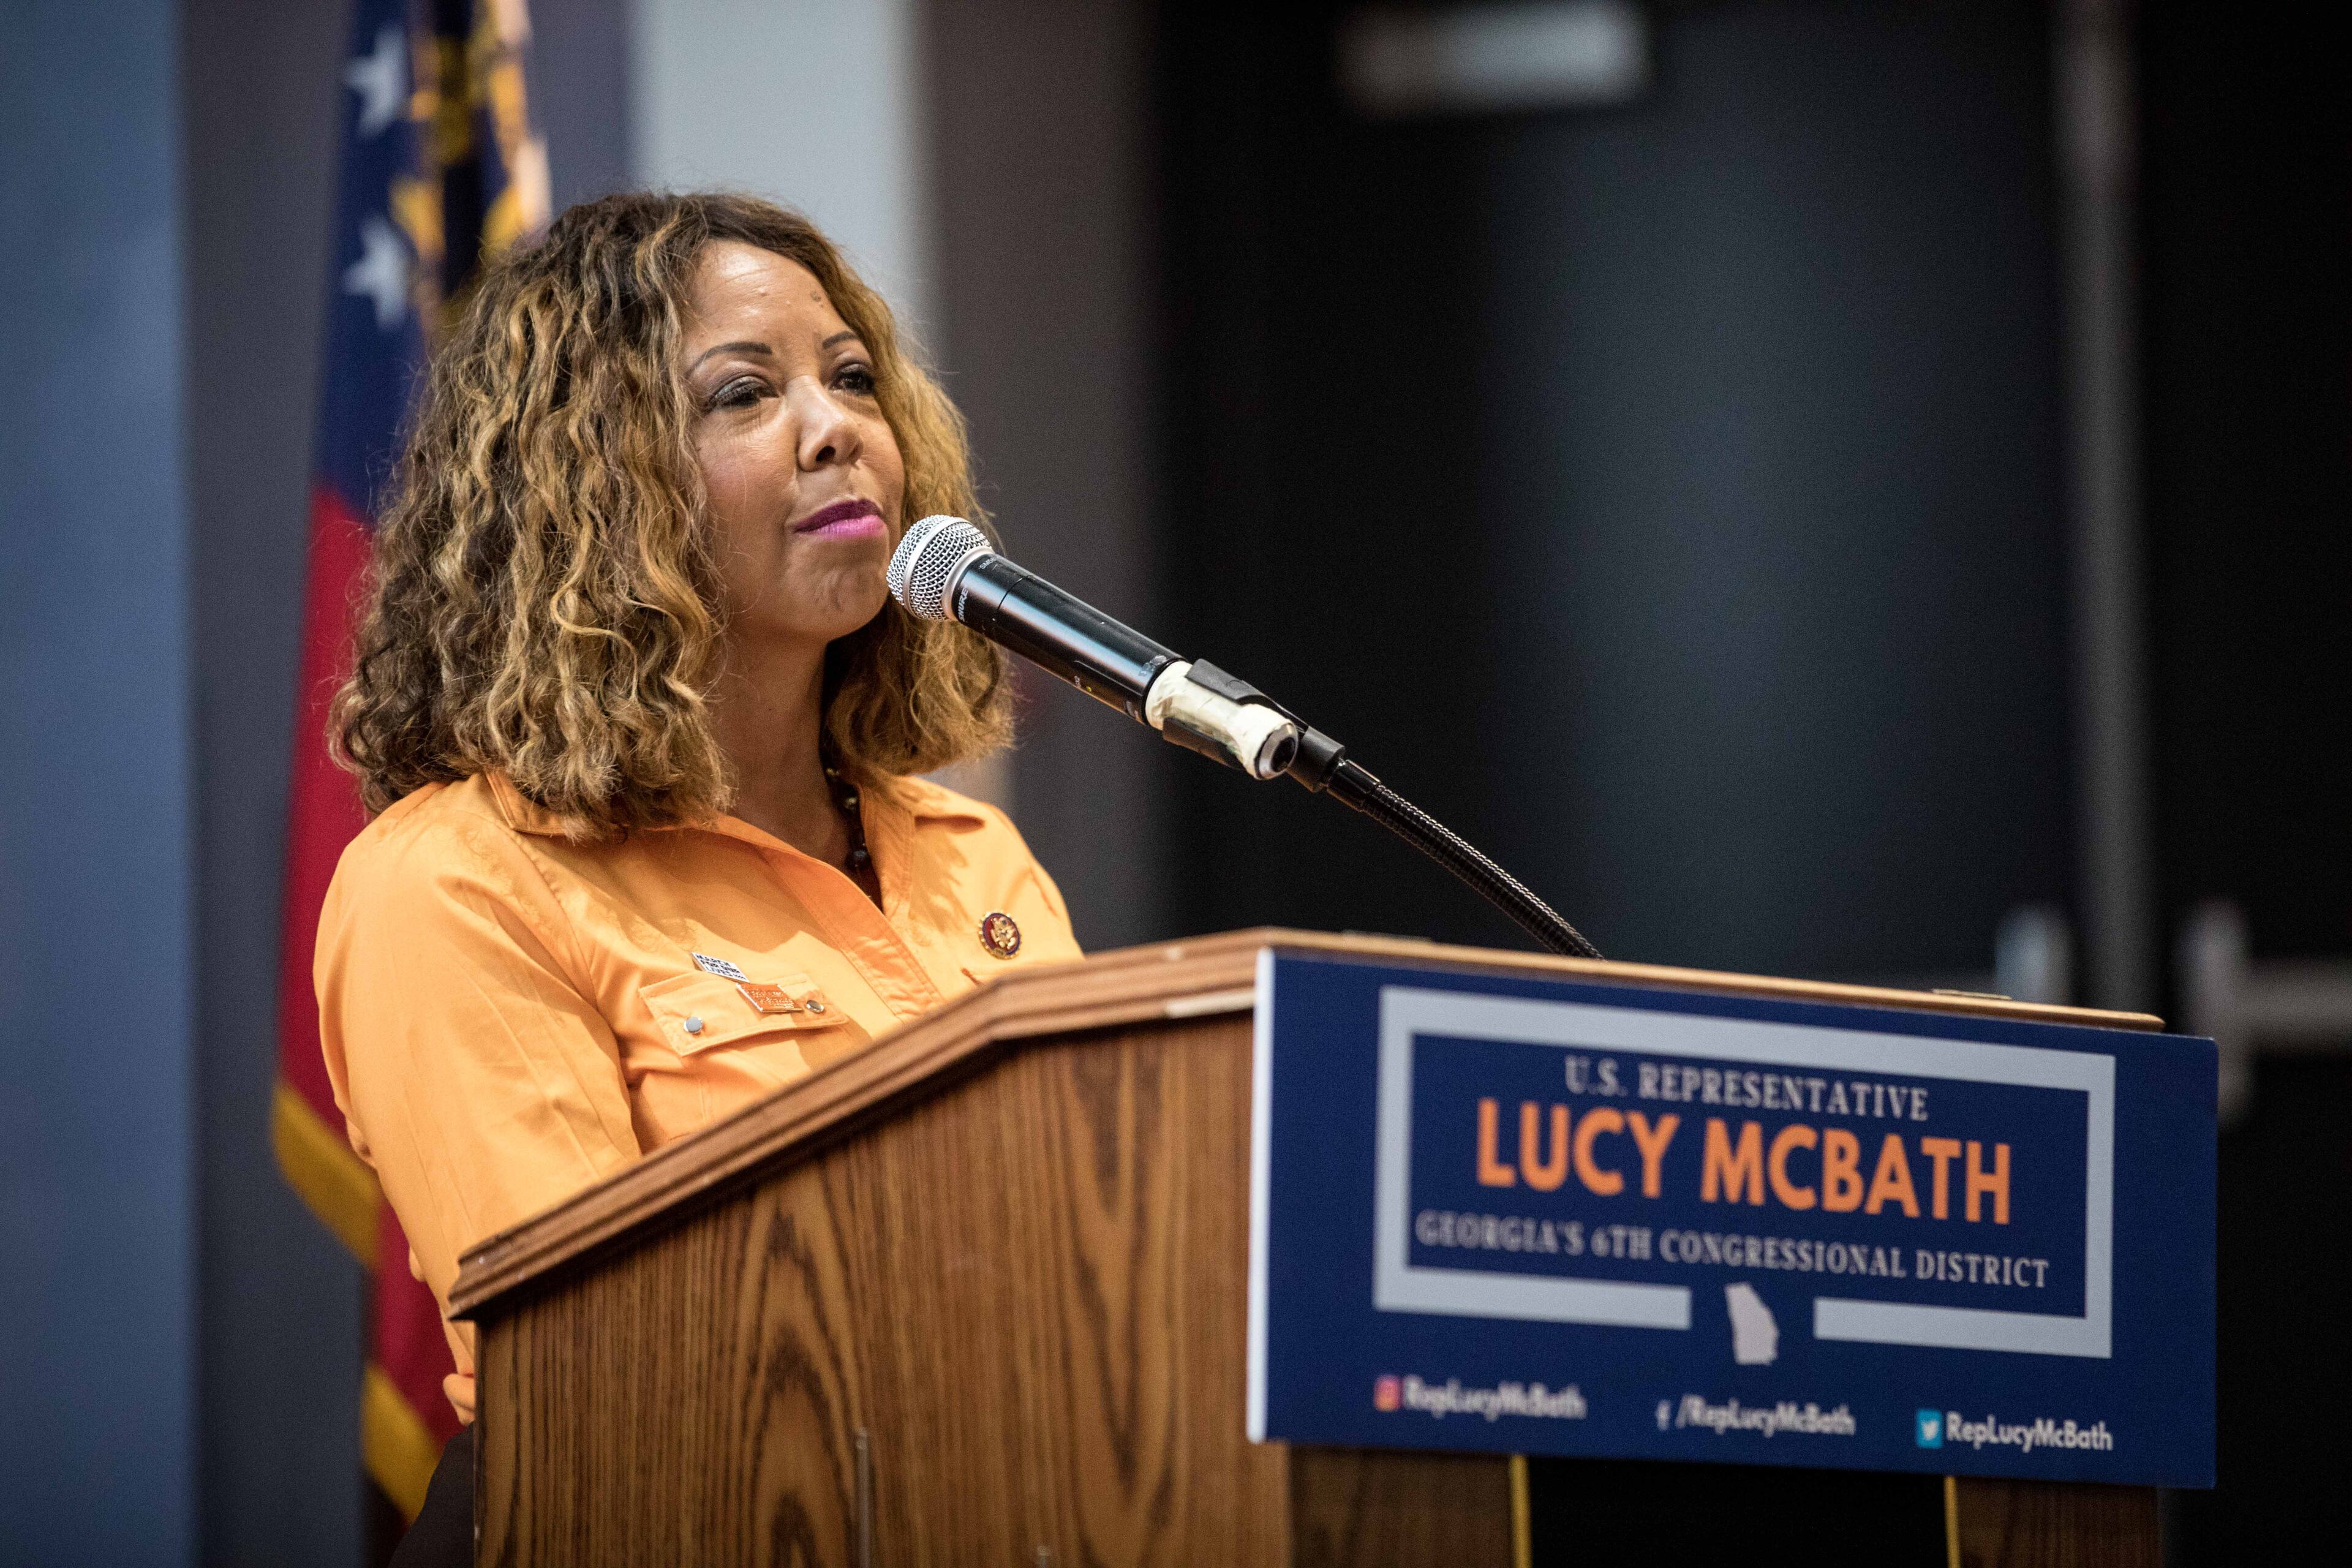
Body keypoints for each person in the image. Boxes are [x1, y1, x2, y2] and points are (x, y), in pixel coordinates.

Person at [315, 191, 1082, 1556]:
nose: (839, 425)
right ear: (594, 482)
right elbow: (598, 1362)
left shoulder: (977, 858)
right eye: (745, 392)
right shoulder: (459, 882)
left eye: (854, 378)